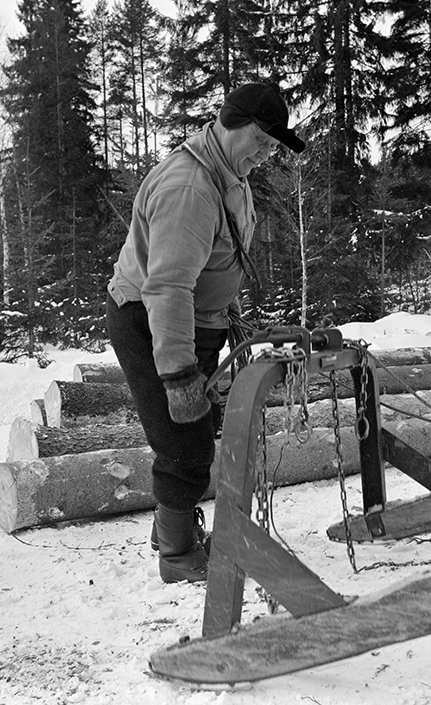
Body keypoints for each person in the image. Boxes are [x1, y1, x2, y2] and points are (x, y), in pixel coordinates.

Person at [105, 82, 306, 583]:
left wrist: (227, 313)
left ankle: (171, 529)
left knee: (194, 435)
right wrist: (177, 377)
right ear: (230, 121)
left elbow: (213, 261)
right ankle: (176, 556)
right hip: (153, 320)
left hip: (195, 320)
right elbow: (169, 287)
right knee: (186, 446)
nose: (265, 153)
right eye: (261, 140)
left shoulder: (228, 173)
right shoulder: (190, 189)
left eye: (272, 146)